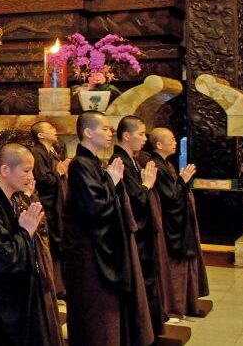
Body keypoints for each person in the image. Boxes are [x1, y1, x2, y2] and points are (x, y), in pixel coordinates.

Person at [65, 111, 153, 346]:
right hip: (89, 251)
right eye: (104, 128)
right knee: (95, 311)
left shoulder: (94, 163)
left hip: (103, 246)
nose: (109, 133)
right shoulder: (79, 165)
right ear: (87, 132)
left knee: (107, 309)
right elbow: (94, 207)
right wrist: (112, 182)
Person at [0, 144, 56, 346]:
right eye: (26, 170)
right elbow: (3, 257)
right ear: (5, 170)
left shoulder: (13, 200)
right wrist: (25, 232)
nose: (30, 176)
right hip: (2, 305)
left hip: (20, 296)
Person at [147, 128, 210, 320]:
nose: (175, 142)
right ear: (159, 144)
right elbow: (170, 198)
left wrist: (182, 182)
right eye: (172, 139)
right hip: (169, 226)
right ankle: (173, 307)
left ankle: (183, 303)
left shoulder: (166, 164)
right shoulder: (155, 165)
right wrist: (182, 181)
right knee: (173, 268)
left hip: (177, 223)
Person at [112, 115, 166, 333]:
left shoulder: (132, 159)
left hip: (144, 232)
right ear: (126, 136)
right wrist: (146, 185)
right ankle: (141, 330)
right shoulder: (120, 162)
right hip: (135, 233)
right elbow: (134, 199)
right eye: (141, 134)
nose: (145, 138)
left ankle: (150, 327)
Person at [28, 121, 69, 294]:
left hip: (57, 203)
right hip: (48, 205)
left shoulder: (52, 151)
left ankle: (60, 285)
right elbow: (43, 181)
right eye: (50, 129)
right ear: (41, 135)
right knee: (52, 243)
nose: (55, 130)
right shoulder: (36, 153)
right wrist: (58, 172)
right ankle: (54, 286)